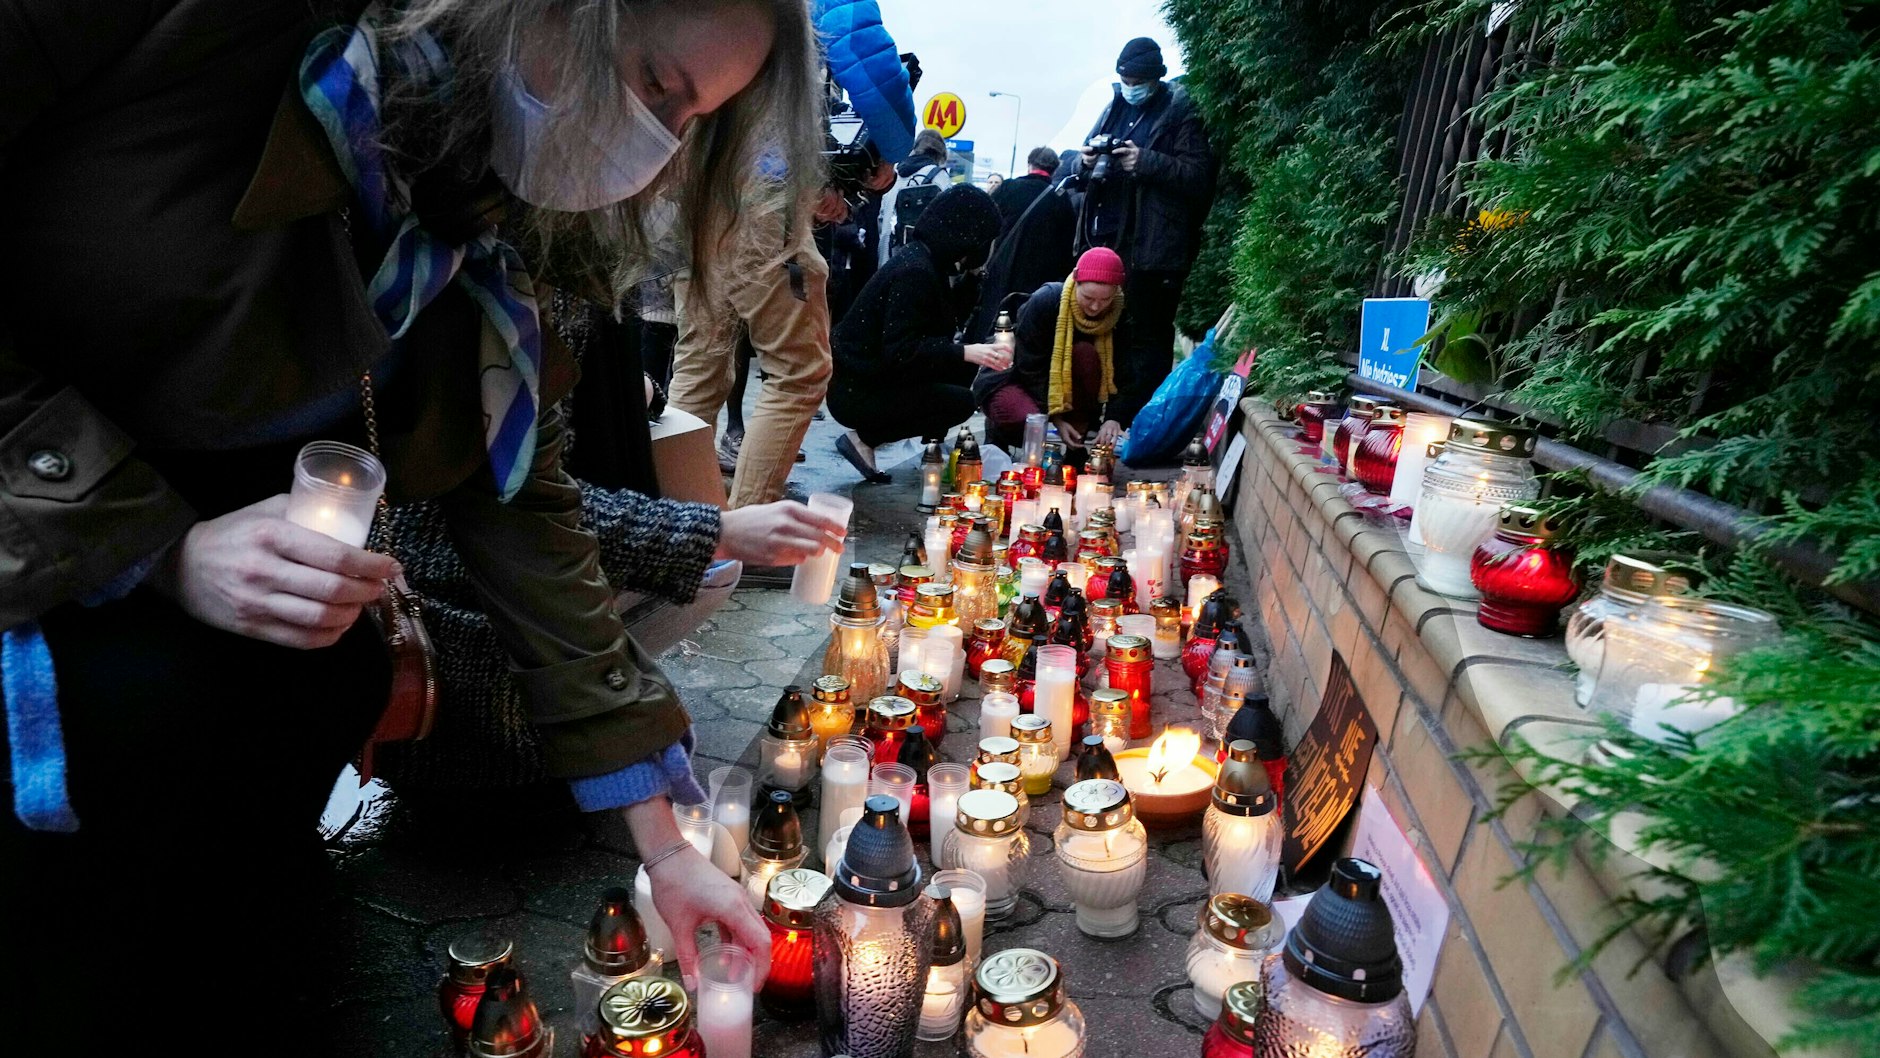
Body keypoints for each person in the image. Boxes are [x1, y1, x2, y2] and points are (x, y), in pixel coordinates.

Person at [0, 0, 822, 1045]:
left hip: (249, 705)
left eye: (689, 119)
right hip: (56, 632)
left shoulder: (466, 202)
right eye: (654, 86)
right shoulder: (207, 43)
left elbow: (515, 494)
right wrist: (157, 547)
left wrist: (661, 845)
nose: (653, 149)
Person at [1064, 37, 1218, 414]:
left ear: (1155, 77)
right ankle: (1095, 414)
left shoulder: (1179, 110)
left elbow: (1200, 177)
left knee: (1146, 335)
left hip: (1154, 248)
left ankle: (1134, 419)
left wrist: (1145, 161)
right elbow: (1079, 161)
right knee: (1100, 332)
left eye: (1137, 80)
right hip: (1104, 242)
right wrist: (1082, 163)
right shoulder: (1113, 105)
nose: (1130, 86)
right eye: (1124, 78)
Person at [829, 183, 1008, 479]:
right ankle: (864, 439)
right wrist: (965, 352)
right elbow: (902, 352)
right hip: (856, 389)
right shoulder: (917, 272)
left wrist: (973, 279)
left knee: (961, 373)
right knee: (961, 398)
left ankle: (923, 448)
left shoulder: (924, 261)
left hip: (865, 378)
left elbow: (945, 325)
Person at [670, 201, 831, 506]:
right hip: (760, 210)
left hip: (697, 212)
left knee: (699, 370)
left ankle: (682, 526)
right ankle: (745, 527)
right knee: (798, 375)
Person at [975, 248, 1143, 452]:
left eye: (1105, 300)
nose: (1095, 307)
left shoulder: (1118, 313)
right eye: (1088, 298)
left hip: (1068, 383)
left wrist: (1114, 418)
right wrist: (1055, 419)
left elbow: (1124, 372)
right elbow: (1029, 366)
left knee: (1086, 355)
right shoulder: (1047, 300)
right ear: (1076, 283)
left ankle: (1076, 446)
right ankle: (998, 433)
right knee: (1030, 422)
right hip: (1016, 377)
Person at [969, 145, 1077, 343]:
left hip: (1001, 273)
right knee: (1023, 332)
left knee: (992, 324)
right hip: (1037, 285)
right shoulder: (1060, 200)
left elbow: (983, 226)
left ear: (1029, 165)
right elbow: (1067, 251)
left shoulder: (1008, 188)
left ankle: (984, 365)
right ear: (1054, 169)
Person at [876, 127, 953, 267]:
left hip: (887, 260)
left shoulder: (893, 175)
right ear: (940, 155)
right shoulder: (938, 177)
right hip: (920, 265)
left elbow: (881, 220)